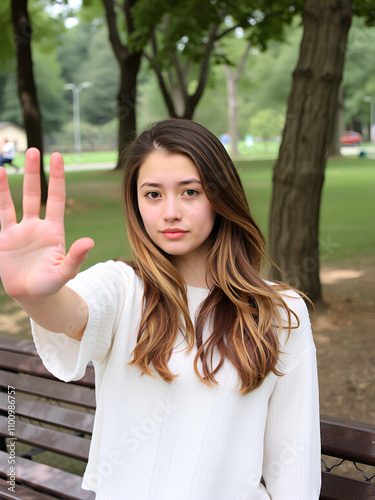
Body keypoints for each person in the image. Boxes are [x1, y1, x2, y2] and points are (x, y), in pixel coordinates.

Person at [0, 119, 321, 499]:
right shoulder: (123, 288)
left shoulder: (281, 312)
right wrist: (33, 296)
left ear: (222, 196)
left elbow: (294, 463)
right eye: (153, 194)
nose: (170, 212)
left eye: (190, 192)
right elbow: (72, 314)